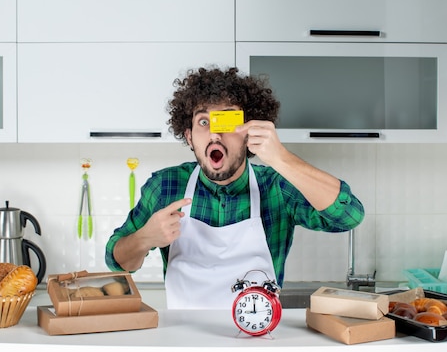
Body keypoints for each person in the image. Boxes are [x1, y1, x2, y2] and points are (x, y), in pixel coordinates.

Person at [105, 66, 364, 309]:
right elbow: (118, 262)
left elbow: (349, 216)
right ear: (189, 137)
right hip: (184, 341)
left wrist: (280, 157)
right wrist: (145, 238)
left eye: (227, 122)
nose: (215, 136)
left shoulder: (276, 187)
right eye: (204, 123)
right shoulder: (165, 187)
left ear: (250, 131)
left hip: (258, 339)